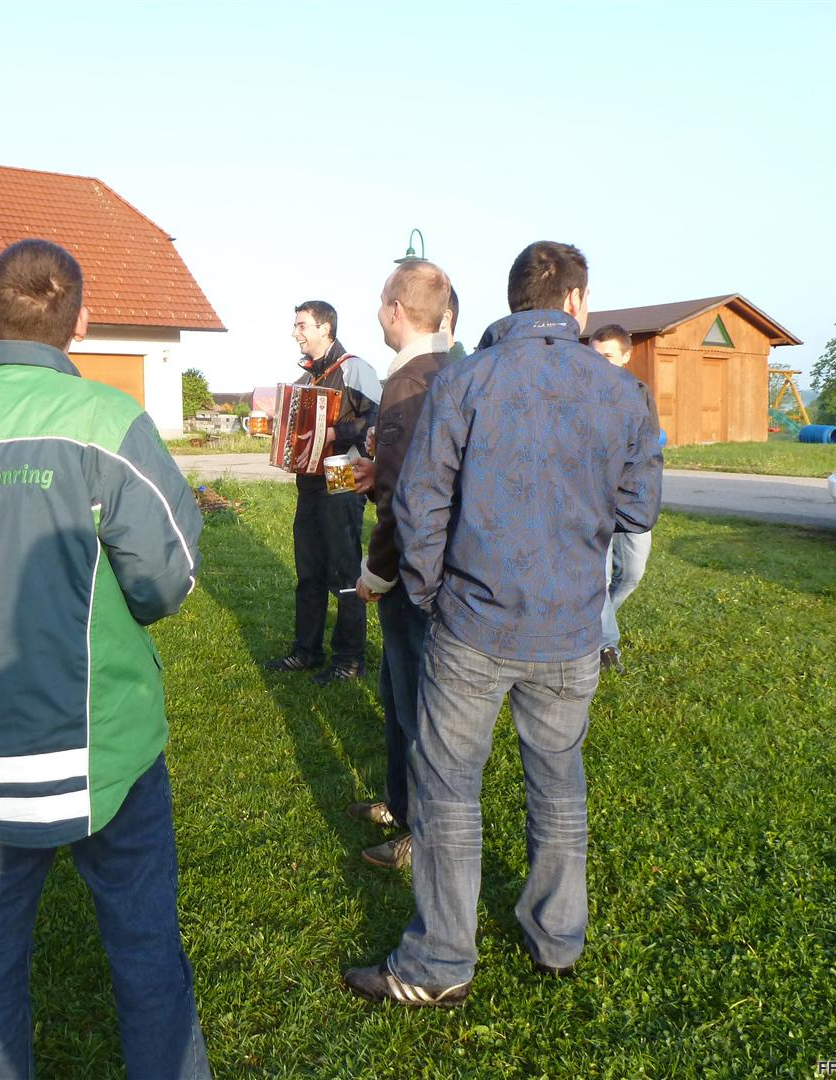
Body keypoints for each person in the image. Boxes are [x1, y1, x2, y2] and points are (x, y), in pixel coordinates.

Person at [0, 239, 210, 1078]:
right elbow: (168, 573)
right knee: (143, 937)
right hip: (106, 741)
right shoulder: (107, 422)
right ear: (80, 323)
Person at [345, 241, 663, 1006]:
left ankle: (442, 961)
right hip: (565, 627)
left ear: (516, 299)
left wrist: (429, 592)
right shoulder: (621, 391)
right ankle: (556, 938)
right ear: (577, 303)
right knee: (557, 783)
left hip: (475, 623)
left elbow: (418, 503)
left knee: (449, 787)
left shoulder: (466, 380)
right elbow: (638, 508)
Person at [346, 261, 454, 872]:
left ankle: (421, 833)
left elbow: (403, 502)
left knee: (415, 706)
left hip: (416, 573)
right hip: (434, 565)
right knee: (395, 690)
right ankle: (399, 801)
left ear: (394, 309)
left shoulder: (410, 381)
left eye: (381, 300)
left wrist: (375, 573)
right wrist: (378, 470)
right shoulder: (447, 369)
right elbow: (415, 473)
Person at [265, 301, 381, 685]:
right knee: (309, 569)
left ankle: (349, 660)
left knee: (345, 571)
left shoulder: (354, 368)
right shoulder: (304, 381)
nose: (295, 333)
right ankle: (306, 651)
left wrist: (335, 432)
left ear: (325, 328)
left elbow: (379, 419)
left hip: (343, 472)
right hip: (310, 479)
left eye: (302, 325)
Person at [589, 324, 654, 674]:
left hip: (631, 502)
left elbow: (649, 454)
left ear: (626, 357)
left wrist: (644, 501)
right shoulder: (579, 394)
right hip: (593, 503)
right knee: (597, 579)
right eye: (595, 356)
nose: (600, 363)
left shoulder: (640, 394)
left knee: (632, 573)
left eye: (608, 356)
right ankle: (605, 644)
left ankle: (594, 620)